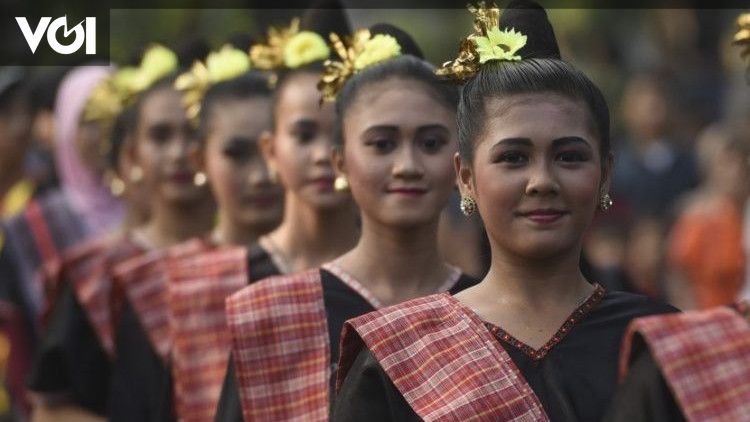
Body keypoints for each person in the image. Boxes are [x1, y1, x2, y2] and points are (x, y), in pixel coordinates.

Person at [333, 3, 675, 422]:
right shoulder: (400, 354)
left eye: (569, 156)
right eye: (513, 157)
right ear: (465, 177)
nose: (541, 181)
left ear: (605, 174)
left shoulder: (661, 341)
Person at [215, 23, 478, 422]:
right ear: (340, 161)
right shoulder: (272, 316)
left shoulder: (487, 313)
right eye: (382, 144)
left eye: (430, 144)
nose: (407, 166)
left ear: (460, 164)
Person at [161, 45, 284, 422]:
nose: (261, 176)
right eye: (237, 153)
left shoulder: (335, 273)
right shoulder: (165, 283)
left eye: (271, 149)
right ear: (200, 160)